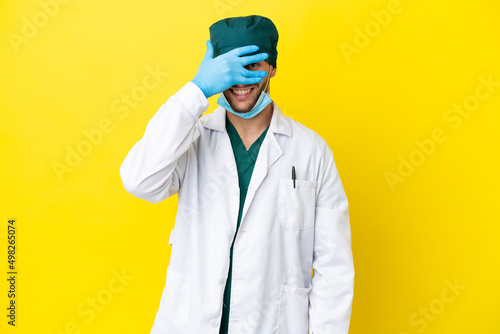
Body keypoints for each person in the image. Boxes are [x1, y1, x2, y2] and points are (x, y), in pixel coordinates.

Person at [120, 15, 354, 334]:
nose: (240, 79)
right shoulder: (191, 138)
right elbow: (138, 180)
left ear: (272, 67)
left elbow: (334, 267)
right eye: (229, 68)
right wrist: (196, 91)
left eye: (253, 65)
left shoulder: (312, 151)